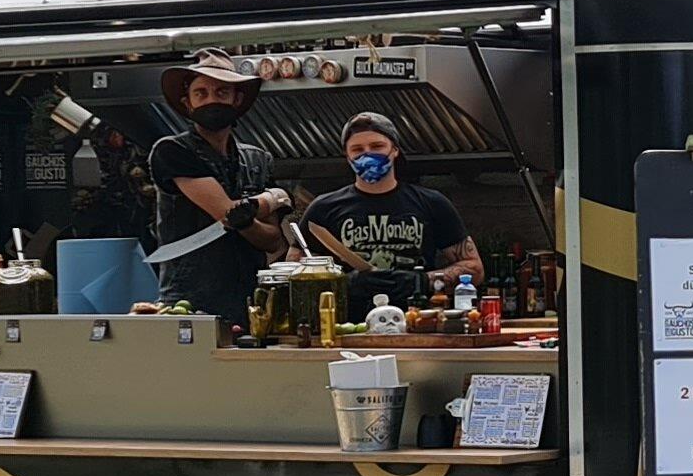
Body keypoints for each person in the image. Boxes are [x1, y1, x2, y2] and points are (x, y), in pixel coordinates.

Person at [146, 56, 296, 326]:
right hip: (188, 300)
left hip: (251, 298)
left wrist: (247, 220)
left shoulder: (259, 159)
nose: (211, 100)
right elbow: (225, 211)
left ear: (236, 100)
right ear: (187, 103)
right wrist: (270, 199)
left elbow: (273, 241)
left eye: (221, 92)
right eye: (201, 93)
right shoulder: (171, 151)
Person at [302, 112, 480, 290]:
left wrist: (423, 281)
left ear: (395, 150)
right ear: (347, 156)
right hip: (345, 316)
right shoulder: (323, 208)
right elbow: (294, 272)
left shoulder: (432, 203)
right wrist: (344, 283)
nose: (367, 155)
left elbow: (475, 269)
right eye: (357, 149)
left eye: (377, 146)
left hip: (416, 314)